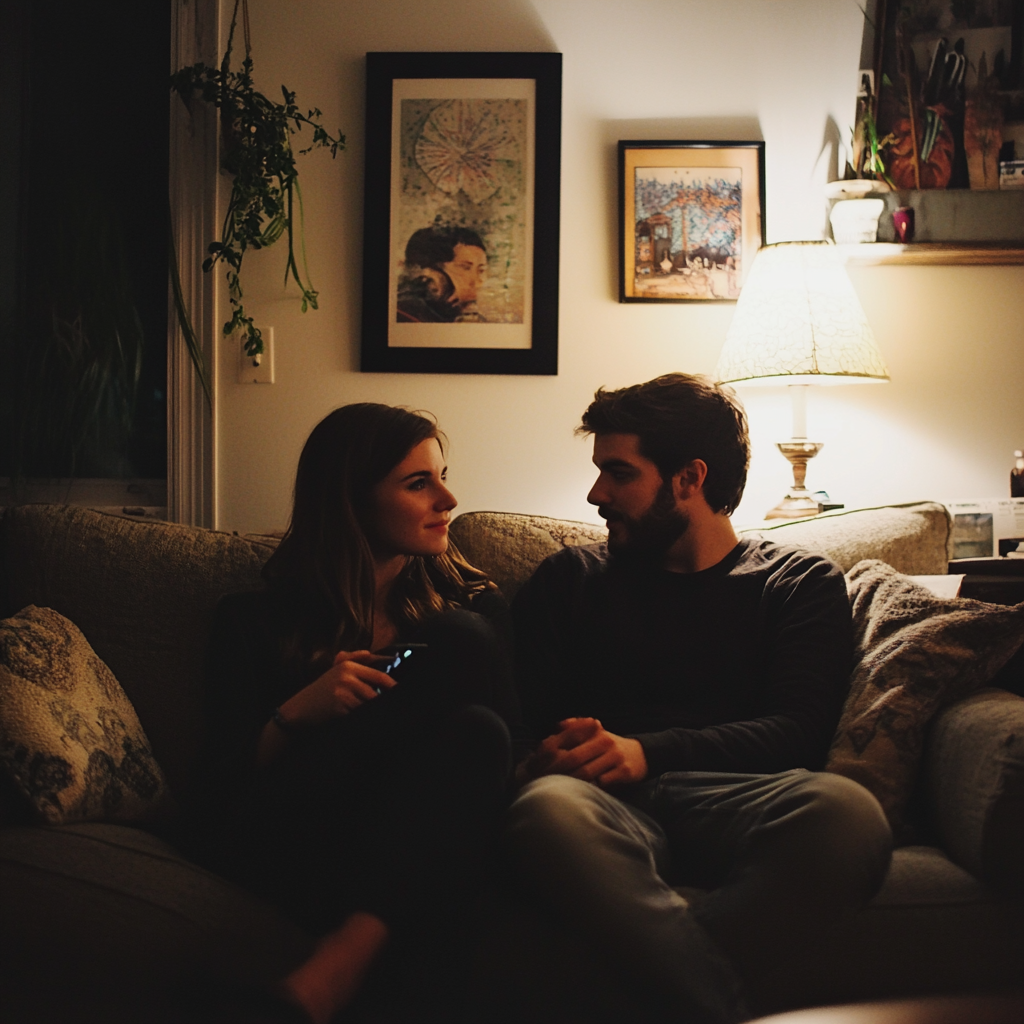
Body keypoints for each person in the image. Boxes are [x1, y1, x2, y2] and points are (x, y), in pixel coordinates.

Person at [504, 374, 892, 1023]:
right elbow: (521, 723)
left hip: (737, 800)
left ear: (689, 478)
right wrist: (549, 755)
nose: (596, 494)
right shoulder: (569, 579)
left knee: (847, 811)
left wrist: (646, 751)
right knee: (545, 808)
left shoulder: (796, 583)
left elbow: (798, 731)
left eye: (618, 473)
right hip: (601, 804)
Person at [194, 403, 520, 1024]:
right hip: (301, 833)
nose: (448, 499)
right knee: (460, 643)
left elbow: (504, 752)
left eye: (442, 476)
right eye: (418, 483)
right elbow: (217, 793)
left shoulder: (475, 604)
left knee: (471, 690)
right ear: (350, 500)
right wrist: (298, 711)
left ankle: (339, 964)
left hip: (415, 834)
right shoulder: (250, 621)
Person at [396, 225, 488, 323]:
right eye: (465, 267)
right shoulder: (405, 313)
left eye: (481, 270)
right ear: (429, 272)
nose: (477, 282)